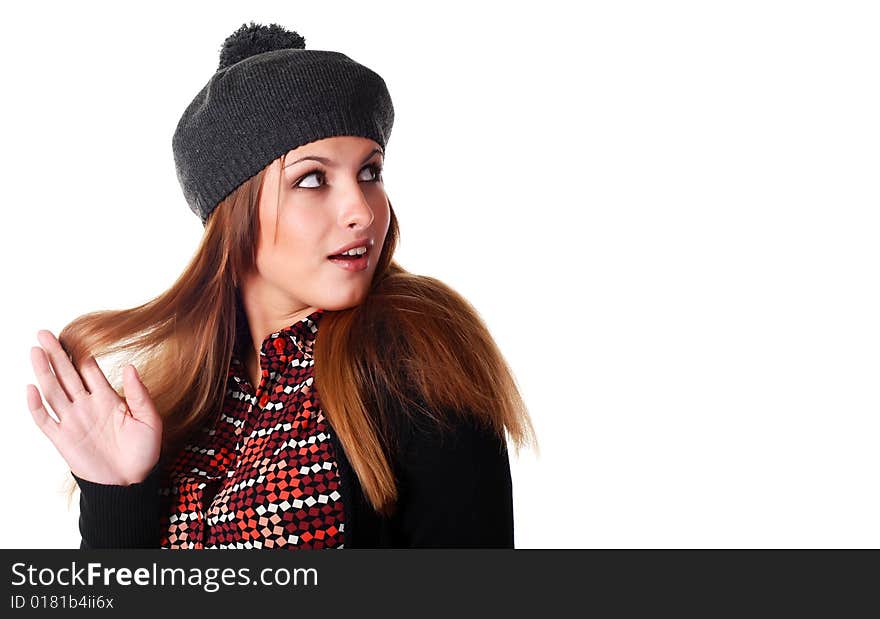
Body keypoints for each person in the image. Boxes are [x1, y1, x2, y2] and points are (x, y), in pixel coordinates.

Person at [25, 21, 538, 549]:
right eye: (313, 179)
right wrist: (118, 494)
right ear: (236, 214)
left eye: (370, 173)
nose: (361, 211)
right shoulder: (183, 405)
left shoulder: (412, 358)